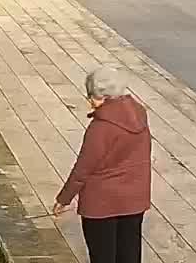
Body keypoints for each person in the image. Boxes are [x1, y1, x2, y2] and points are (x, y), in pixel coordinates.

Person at [53, 65, 151, 263]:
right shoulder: (140, 114)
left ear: (102, 96)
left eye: (91, 95)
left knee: (102, 256)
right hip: (134, 199)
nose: (89, 100)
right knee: (130, 254)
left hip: (101, 203)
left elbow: (83, 169)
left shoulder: (101, 128)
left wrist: (64, 199)